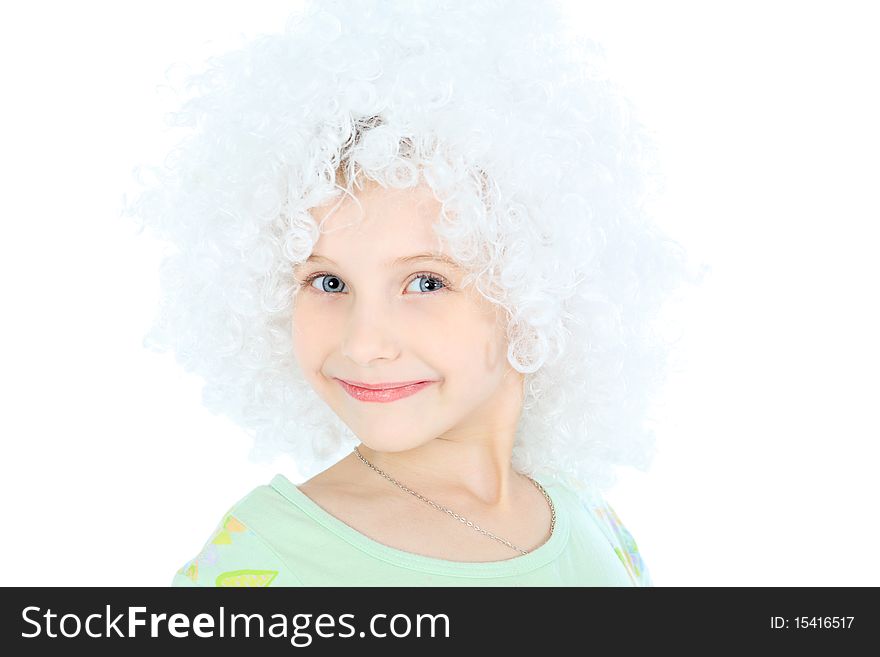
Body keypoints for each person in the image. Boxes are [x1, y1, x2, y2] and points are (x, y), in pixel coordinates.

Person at [123, 0, 701, 586]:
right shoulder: (270, 560)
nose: (365, 342)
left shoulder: (588, 519)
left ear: (535, 287)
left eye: (426, 282)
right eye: (329, 282)